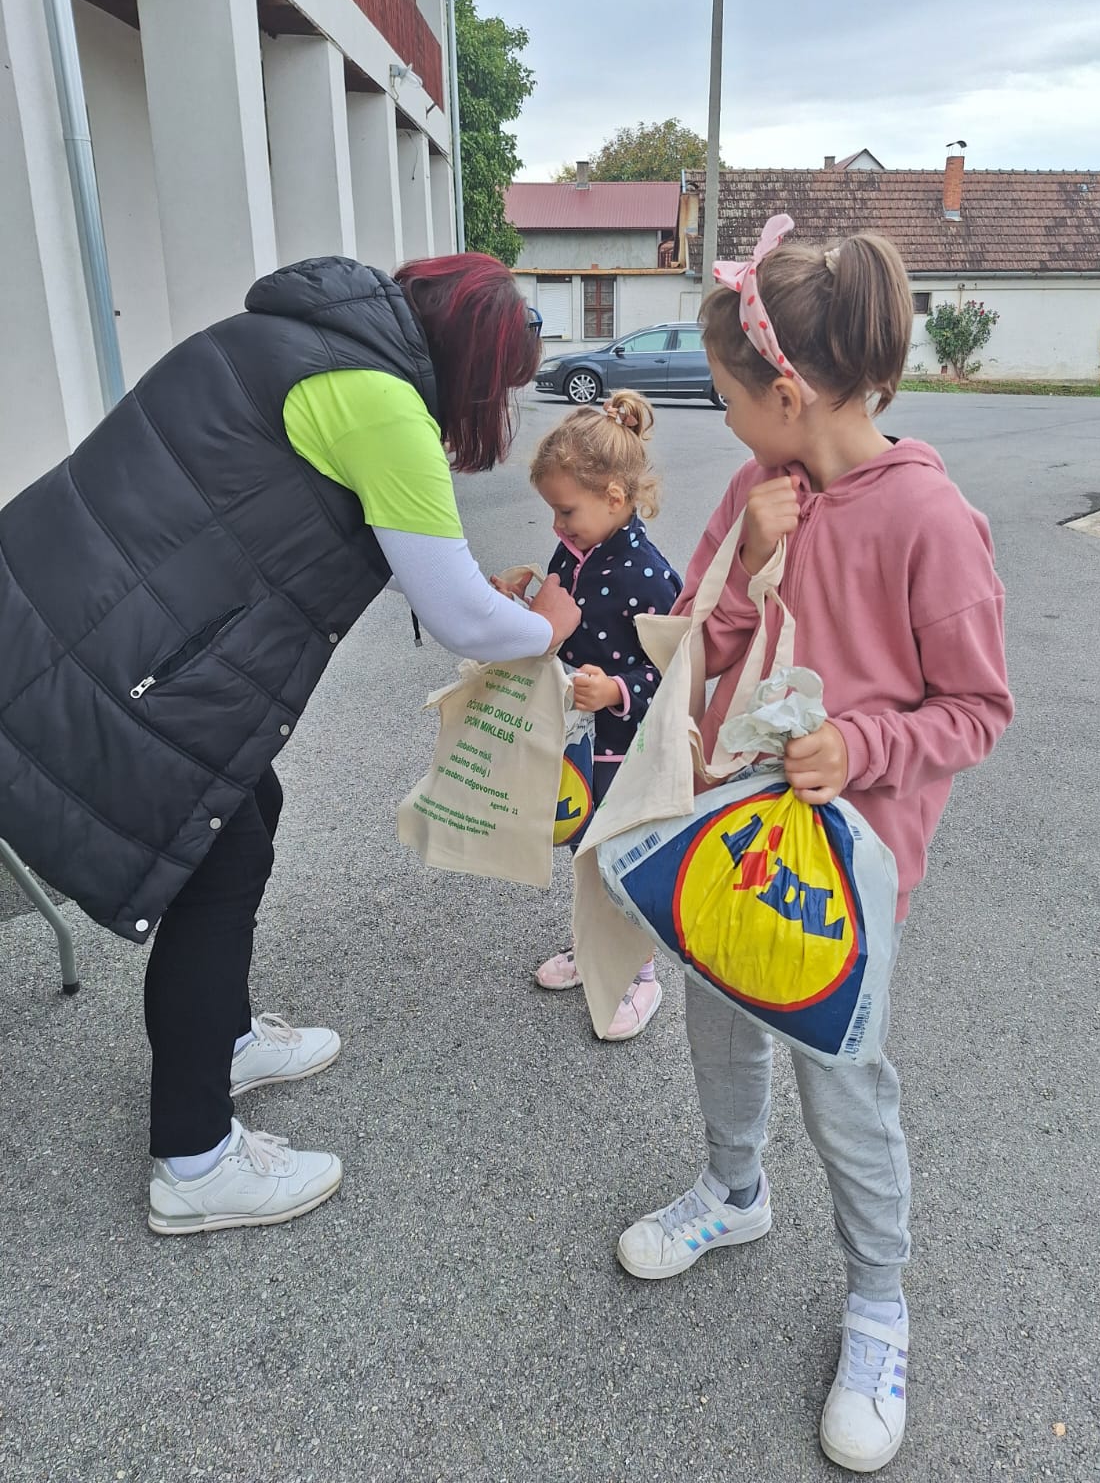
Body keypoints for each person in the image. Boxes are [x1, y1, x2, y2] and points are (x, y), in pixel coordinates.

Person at [0, 253, 580, 1235]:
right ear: (471, 368)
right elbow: (461, 616)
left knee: (251, 806)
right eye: (500, 392)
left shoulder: (283, 338)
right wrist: (547, 629)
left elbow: (357, 533)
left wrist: (476, 590)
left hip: (61, 613)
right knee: (214, 863)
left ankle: (224, 1038)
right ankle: (195, 1161)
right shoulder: (385, 406)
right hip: (101, 654)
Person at [613, 218, 1013, 1472]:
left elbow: (978, 709)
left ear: (787, 396)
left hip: (853, 866)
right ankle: (734, 1191)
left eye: (729, 397)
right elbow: (694, 645)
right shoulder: (756, 495)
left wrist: (861, 744)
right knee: (721, 1018)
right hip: (730, 831)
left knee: (843, 1075)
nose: (722, 417)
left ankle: (879, 1304)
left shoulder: (931, 521)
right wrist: (749, 561)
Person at [495, 391, 682, 1039]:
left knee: (623, 859)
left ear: (614, 496)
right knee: (586, 854)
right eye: (552, 511)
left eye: (566, 511)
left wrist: (618, 690)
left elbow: (678, 673)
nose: (557, 526)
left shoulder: (649, 576)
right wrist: (520, 610)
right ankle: (593, 945)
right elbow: (560, 633)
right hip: (578, 744)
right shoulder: (573, 554)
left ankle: (639, 973)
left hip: (626, 750)